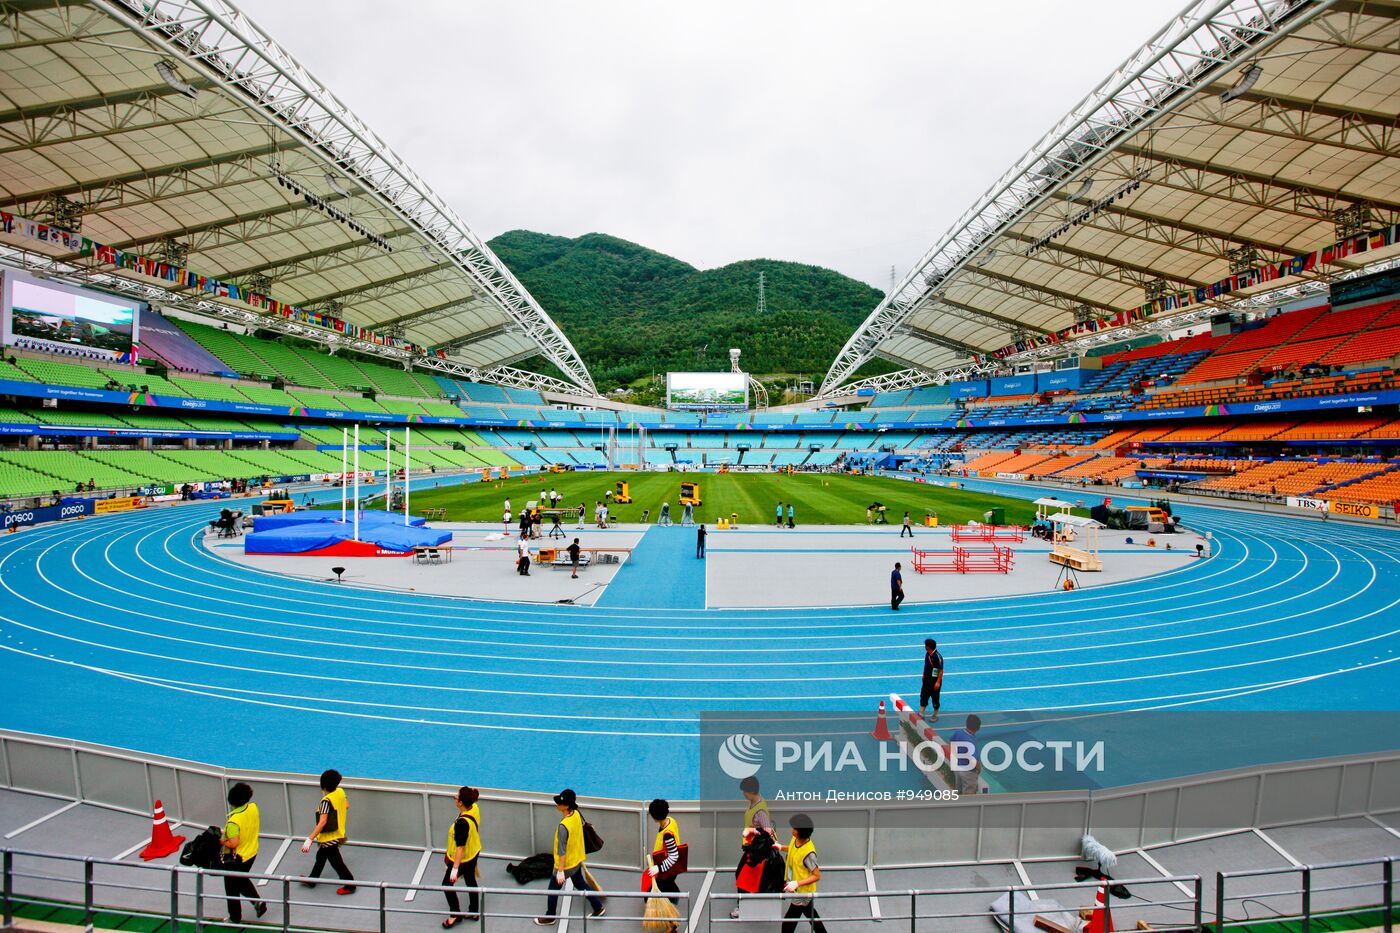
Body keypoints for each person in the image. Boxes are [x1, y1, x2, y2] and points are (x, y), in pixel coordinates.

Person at [534, 789, 604, 925]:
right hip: (576, 860)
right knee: (581, 884)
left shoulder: (563, 826)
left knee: (552, 891)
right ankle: (598, 907)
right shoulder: (576, 814)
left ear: (566, 806)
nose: (557, 805)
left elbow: (562, 851)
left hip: (565, 865)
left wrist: (560, 871)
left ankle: (550, 916)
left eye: (560, 803)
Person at [300, 769, 355, 894]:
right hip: (339, 832)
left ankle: (351, 884)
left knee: (337, 862)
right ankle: (312, 879)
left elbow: (322, 822)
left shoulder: (326, 801)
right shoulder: (340, 792)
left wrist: (309, 839)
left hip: (328, 837)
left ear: (322, 785)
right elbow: (346, 805)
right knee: (321, 856)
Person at [731, 776, 777, 918]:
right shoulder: (755, 803)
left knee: (741, 875)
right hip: (752, 848)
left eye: (744, 791)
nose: (743, 794)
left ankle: (742, 907)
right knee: (749, 876)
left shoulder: (760, 811)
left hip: (757, 851)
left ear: (750, 792)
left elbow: (768, 831)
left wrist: (752, 831)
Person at [221, 782, 267, 923]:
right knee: (240, 880)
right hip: (252, 852)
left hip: (237, 857)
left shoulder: (233, 821)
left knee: (232, 885)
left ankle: (236, 916)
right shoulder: (253, 808)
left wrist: (221, 840)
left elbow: (233, 843)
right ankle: (256, 904)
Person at [778, 814, 826, 933]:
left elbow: (816, 875)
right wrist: (780, 847)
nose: (791, 829)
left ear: (799, 832)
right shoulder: (796, 839)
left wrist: (797, 883)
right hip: (798, 890)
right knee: (811, 914)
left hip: (803, 892)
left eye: (794, 828)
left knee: (788, 923)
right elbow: (793, 849)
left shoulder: (809, 853)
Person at [441, 786, 481, 927]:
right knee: (470, 880)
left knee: (447, 884)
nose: (455, 798)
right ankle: (474, 910)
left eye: (456, 797)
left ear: (461, 803)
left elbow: (460, 847)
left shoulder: (461, 824)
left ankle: (455, 913)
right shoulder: (474, 808)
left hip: (462, 859)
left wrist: (454, 868)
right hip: (474, 852)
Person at [645, 798, 683, 919]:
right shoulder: (671, 821)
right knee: (667, 885)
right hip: (670, 867)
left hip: (667, 868)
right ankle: (674, 895)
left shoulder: (667, 834)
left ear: (655, 817)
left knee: (653, 894)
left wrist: (658, 868)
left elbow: (673, 856)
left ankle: (672, 923)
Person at [948, 714, 982, 796]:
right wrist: (979, 769)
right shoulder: (970, 742)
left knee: (958, 790)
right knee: (968, 795)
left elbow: (950, 743)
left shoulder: (958, 733)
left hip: (957, 768)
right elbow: (973, 761)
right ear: (978, 728)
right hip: (968, 773)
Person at [920, 639, 943, 721]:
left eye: (925, 645)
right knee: (923, 696)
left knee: (935, 699)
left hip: (934, 682)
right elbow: (926, 665)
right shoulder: (927, 654)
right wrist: (923, 674)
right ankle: (921, 713)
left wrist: (938, 682)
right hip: (926, 681)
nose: (924, 646)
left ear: (928, 647)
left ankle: (935, 715)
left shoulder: (938, 657)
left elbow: (940, 671)